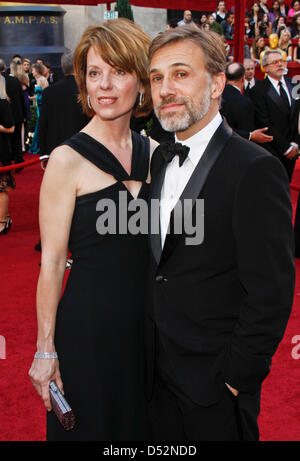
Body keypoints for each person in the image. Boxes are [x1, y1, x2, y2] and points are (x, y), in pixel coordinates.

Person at [147, 25, 295, 441]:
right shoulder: (159, 162)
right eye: (156, 78)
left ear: (216, 85)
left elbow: (272, 291)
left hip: (214, 386)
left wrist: (235, 378)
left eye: (180, 74)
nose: (164, 89)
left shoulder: (255, 169)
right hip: (154, 378)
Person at [28, 18, 157, 441]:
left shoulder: (156, 153)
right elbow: (50, 264)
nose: (104, 84)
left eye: (118, 71)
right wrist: (45, 350)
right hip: (89, 331)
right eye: (94, 72)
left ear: (141, 79)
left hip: (150, 330)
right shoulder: (66, 161)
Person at [251, 49, 299, 181]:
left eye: (282, 61)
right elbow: (264, 122)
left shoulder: (295, 84)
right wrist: (286, 148)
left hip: (293, 149)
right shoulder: (258, 90)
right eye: (275, 62)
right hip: (272, 150)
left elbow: (297, 118)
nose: (280, 64)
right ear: (265, 68)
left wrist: (295, 144)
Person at [38, 50, 90, 165]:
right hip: (83, 150)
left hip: (56, 151)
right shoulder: (86, 91)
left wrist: (44, 155)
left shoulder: (48, 92)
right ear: (78, 66)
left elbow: (43, 124)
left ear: (62, 67)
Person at [221, 62, 273, 143]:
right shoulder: (245, 102)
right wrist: (250, 135)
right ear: (243, 78)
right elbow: (246, 132)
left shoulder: (216, 96)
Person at [0, 74, 15, 234]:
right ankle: (6, 216)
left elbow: (11, 128)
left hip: (1, 151)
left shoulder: (3, 103)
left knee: (1, 188)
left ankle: (3, 221)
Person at [28, 63, 48, 155]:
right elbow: (37, 95)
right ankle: (37, 146)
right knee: (38, 124)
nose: (32, 72)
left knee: (40, 124)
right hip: (38, 105)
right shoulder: (38, 79)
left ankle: (38, 146)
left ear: (36, 70)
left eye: (33, 70)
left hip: (42, 105)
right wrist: (31, 98)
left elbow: (46, 93)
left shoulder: (43, 80)